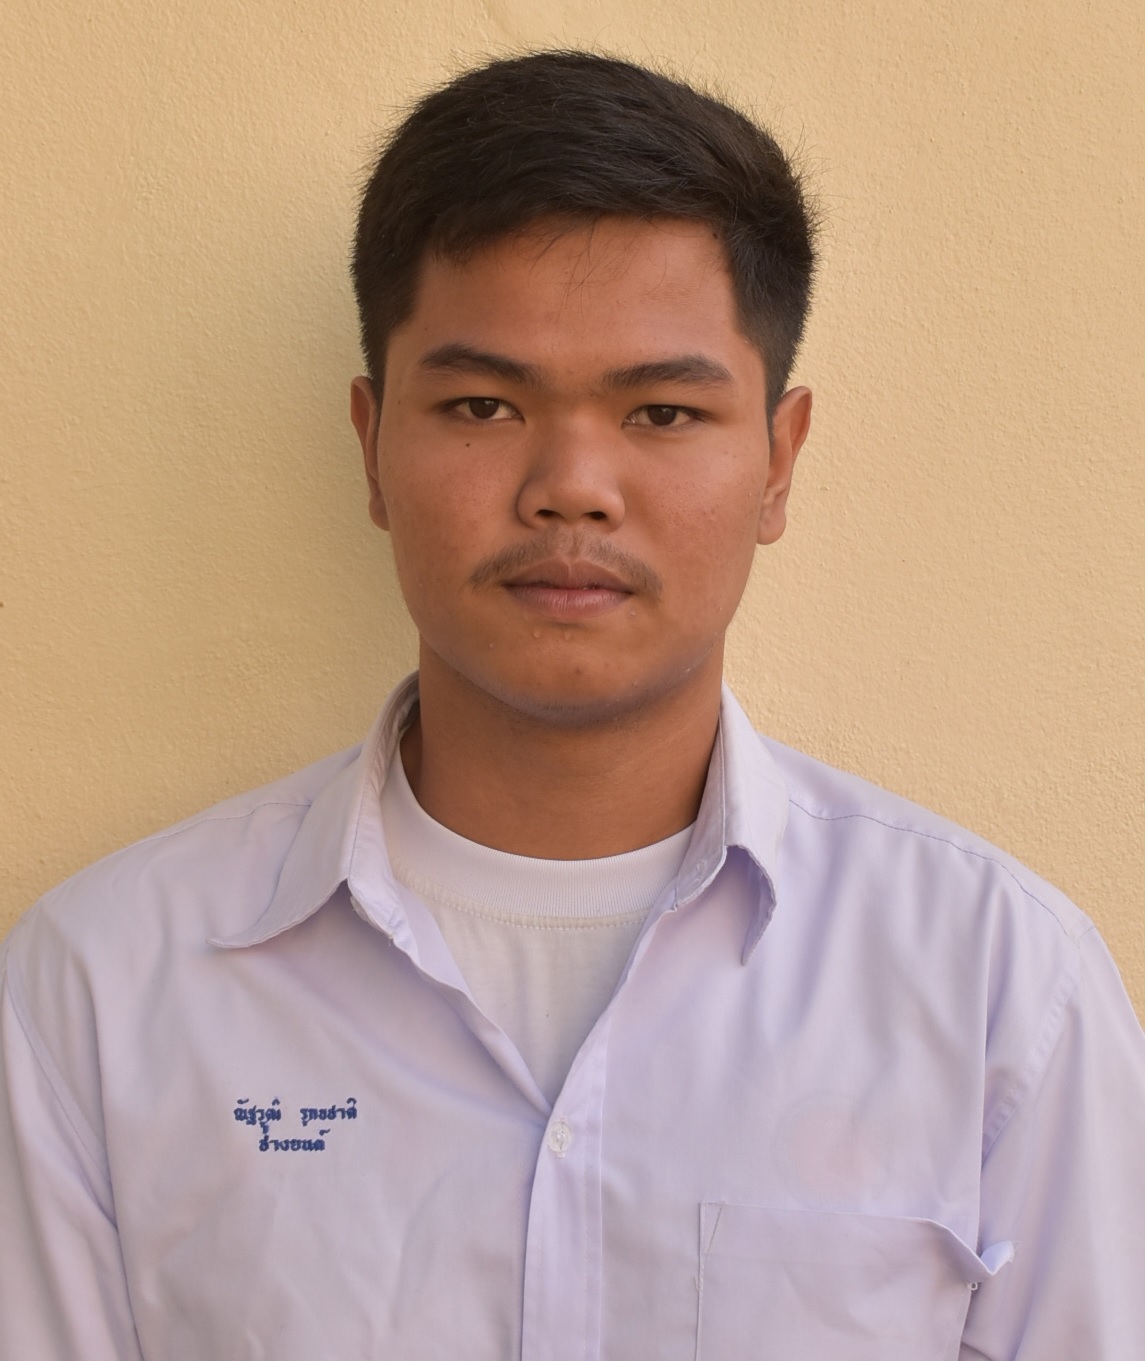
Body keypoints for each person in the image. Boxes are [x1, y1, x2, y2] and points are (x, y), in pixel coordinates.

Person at [1, 49, 1142, 1361]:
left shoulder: (996, 986)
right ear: (371, 445)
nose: (572, 486)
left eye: (662, 411)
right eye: (483, 404)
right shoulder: (104, 992)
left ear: (778, 463)